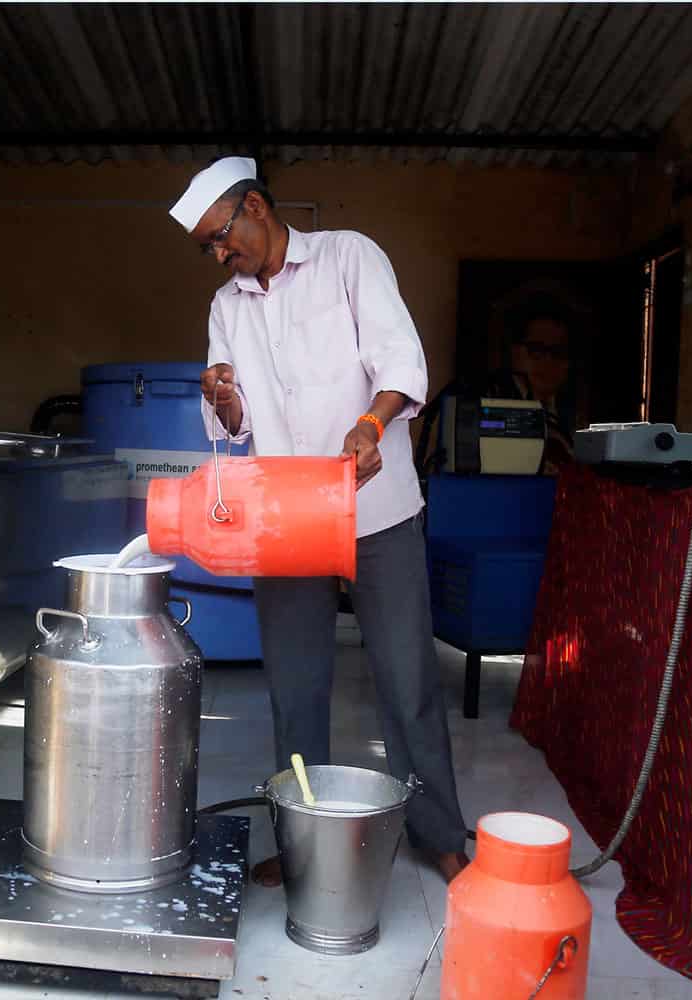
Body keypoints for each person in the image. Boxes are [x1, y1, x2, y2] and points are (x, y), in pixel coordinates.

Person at [169, 157, 468, 884]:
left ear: (258, 208)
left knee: (406, 680)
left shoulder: (348, 257)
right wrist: (224, 398)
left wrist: (371, 423)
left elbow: (401, 359)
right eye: (207, 246)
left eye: (222, 236)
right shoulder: (227, 307)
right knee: (296, 688)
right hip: (288, 516)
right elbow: (233, 428)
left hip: (378, 505)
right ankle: (301, 841)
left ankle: (439, 835)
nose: (219, 254)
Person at [486, 296, 577, 474]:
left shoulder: (571, 418)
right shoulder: (490, 407)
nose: (548, 362)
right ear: (513, 352)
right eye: (537, 350)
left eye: (558, 352)